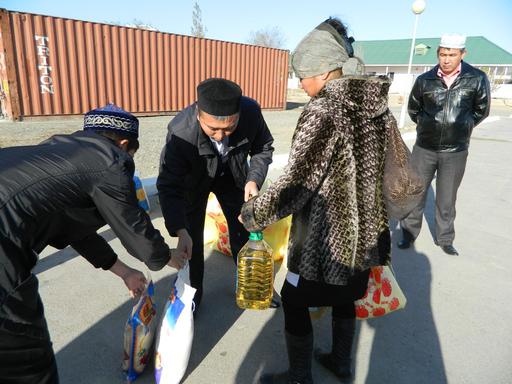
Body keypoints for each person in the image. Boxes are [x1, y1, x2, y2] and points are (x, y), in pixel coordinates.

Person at [240, 17, 392, 384]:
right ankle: (341, 362)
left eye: (303, 75)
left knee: (293, 300)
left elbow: (297, 182)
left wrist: (253, 214)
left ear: (324, 73)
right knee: (346, 296)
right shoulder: (375, 105)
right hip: (366, 233)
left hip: (326, 241)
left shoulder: (325, 110)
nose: (300, 83)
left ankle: (299, 377)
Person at [0, 104, 188, 384]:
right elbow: (133, 224)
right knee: (26, 357)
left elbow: (73, 228)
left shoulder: (58, 152)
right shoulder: (110, 160)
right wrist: (166, 256)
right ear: (125, 144)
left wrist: (124, 272)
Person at [157, 78, 275, 309]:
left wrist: (253, 179)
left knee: (244, 229)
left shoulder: (251, 112)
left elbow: (263, 147)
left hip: (233, 177)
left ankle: (251, 287)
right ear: (199, 115)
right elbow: (169, 185)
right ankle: (193, 295)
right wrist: (179, 229)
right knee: (191, 241)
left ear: (239, 115)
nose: (221, 136)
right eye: (213, 129)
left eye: (229, 128)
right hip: (195, 182)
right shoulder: (181, 132)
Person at [397, 33, 491, 256]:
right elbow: (414, 109)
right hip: (424, 148)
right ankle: (409, 234)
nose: (446, 59)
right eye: (443, 54)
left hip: (455, 151)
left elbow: (481, 110)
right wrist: (429, 126)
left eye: (452, 54)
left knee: (447, 197)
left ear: (462, 54)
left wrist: (462, 126)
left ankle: (445, 238)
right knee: (416, 192)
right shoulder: (425, 80)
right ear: (438, 53)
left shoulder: (476, 78)